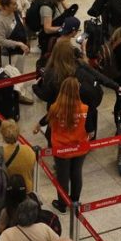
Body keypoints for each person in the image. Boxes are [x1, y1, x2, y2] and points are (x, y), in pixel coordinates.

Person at [33, 76, 89, 213]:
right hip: (80, 147)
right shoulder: (84, 108)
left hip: (61, 148)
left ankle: (62, 203)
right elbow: (90, 127)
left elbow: (47, 118)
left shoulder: (55, 108)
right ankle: (75, 201)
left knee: (62, 176)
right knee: (76, 173)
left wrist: (38, 125)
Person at [0, 120, 36, 191]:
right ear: (18, 134)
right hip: (25, 192)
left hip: (4, 194)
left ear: (2, 135)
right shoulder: (28, 151)